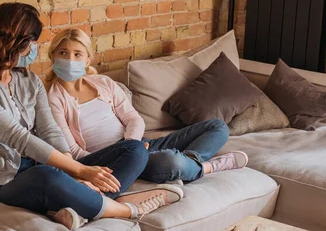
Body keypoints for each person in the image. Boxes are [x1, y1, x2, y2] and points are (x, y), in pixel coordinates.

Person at [0, 3, 183, 231]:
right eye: (32, 41)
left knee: (134, 150)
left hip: (46, 166)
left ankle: (81, 206)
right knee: (47, 177)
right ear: (15, 41)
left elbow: (49, 131)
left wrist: (72, 172)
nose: (35, 47)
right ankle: (125, 209)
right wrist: (79, 172)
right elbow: (17, 138)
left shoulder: (29, 80)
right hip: (3, 184)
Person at [46, 28, 249, 186]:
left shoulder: (103, 83)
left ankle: (191, 163)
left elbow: (133, 119)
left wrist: (133, 144)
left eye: (77, 54)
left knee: (217, 126)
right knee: (170, 162)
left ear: (87, 59)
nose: (69, 60)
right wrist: (126, 154)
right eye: (63, 53)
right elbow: (71, 150)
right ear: (53, 56)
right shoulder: (52, 98)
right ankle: (204, 167)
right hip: (109, 161)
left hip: (138, 145)